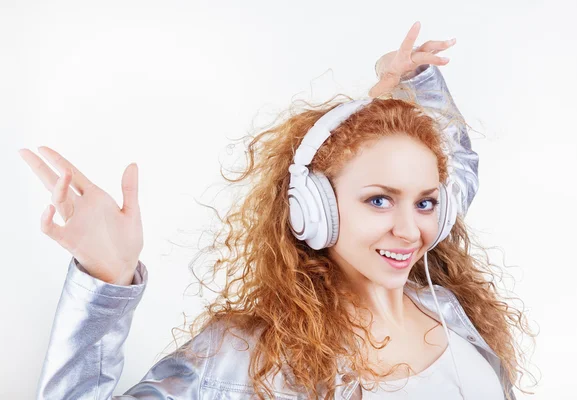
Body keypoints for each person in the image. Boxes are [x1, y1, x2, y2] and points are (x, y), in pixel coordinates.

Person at [20, 21, 533, 400]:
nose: (408, 229)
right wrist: (106, 282)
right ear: (313, 209)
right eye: (378, 199)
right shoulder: (246, 355)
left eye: (425, 203)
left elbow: (455, 170)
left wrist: (413, 82)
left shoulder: (444, 307)